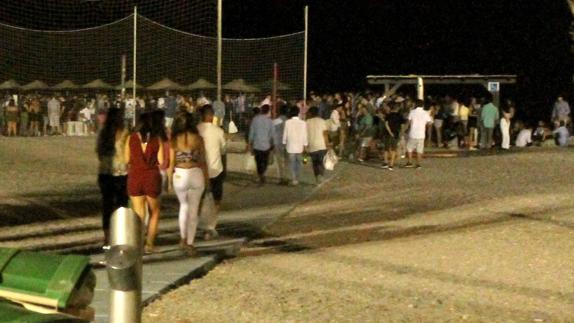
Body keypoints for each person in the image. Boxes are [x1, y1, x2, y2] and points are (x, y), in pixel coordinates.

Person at [168, 112, 208, 255]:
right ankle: (190, 243)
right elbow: (203, 162)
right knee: (193, 210)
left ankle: (182, 238)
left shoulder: (174, 140)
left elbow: (171, 163)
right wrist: (207, 179)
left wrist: (168, 182)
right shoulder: (198, 139)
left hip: (179, 174)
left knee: (183, 207)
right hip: (196, 173)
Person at [125, 112, 164, 253]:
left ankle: (137, 243)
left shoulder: (131, 138)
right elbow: (161, 160)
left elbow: (126, 159)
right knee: (154, 212)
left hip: (135, 175)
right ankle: (149, 244)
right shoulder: (156, 139)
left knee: (139, 212)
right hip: (151, 176)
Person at [97, 108, 129, 244]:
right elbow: (128, 154)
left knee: (107, 205)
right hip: (121, 173)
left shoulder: (103, 133)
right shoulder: (125, 133)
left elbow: (98, 153)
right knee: (121, 206)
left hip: (105, 172)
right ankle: (120, 234)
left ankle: (107, 237)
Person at [197, 105, 227, 240]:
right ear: (211, 116)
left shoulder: (196, 130)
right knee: (216, 200)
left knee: (199, 199)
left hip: (199, 170)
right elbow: (223, 150)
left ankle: (198, 224)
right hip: (216, 169)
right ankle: (211, 226)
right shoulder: (218, 131)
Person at [247, 104, 274, 185]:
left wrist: (249, 143)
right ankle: (263, 174)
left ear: (261, 110)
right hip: (266, 145)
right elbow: (272, 134)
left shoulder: (255, 119)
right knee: (265, 161)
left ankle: (260, 174)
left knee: (258, 161)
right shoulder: (270, 121)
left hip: (257, 144)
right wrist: (272, 143)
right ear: (268, 111)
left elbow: (251, 132)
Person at [283, 106, 308, 185]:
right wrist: (305, 145)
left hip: (290, 146)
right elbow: (305, 135)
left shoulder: (287, 122)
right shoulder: (303, 123)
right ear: (298, 113)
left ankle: (293, 179)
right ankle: (298, 177)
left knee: (292, 163)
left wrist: (284, 143)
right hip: (300, 146)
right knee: (299, 163)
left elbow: (285, 134)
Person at [405, 100, 432, 168]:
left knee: (409, 148)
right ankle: (418, 163)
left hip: (413, 132)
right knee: (419, 149)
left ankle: (409, 162)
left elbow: (408, 122)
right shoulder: (425, 113)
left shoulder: (412, 112)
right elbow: (429, 123)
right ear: (422, 105)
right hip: (421, 133)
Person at [306, 107, 329, 184]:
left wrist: (305, 146)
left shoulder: (307, 122)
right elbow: (325, 134)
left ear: (310, 113)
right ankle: (321, 175)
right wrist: (327, 144)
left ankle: (317, 177)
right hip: (322, 145)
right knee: (321, 162)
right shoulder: (322, 121)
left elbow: (305, 135)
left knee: (315, 163)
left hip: (312, 145)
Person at [381, 103, 403, 170]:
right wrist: (400, 133)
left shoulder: (388, 115)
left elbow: (386, 124)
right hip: (395, 133)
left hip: (387, 133)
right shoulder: (400, 116)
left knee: (386, 148)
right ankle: (391, 164)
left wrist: (389, 132)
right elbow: (402, 125)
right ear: (398, 108)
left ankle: (385, 162)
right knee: (394, 149)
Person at [273, 105, 290, 185]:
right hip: (287, 143)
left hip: (278, 143)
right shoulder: (289, 121)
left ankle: (280, 178)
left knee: (279, 161)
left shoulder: (276, 121)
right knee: (286, 161)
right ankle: (286, 177)